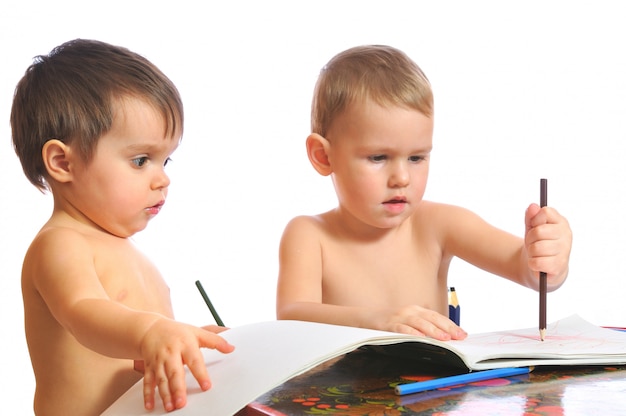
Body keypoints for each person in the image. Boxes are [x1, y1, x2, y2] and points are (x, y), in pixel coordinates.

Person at [276, 45, 572, 342]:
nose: (401, 178)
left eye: (416, 158)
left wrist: (547, 259)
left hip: (433, 388)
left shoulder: (440, 224)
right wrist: (378, 320)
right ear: (323, 157)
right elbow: (292, 315)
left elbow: (523, 267)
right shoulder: (309, 234)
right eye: (378, 158)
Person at [11, 39, 234, 415]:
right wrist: (150, 333)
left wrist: (187, 343)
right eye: (141, 160)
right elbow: (84, 312)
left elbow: (145, 358)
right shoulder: (61, 244)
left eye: (166, 161)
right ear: (62, 162)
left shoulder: (136, 258)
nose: (162, 179)